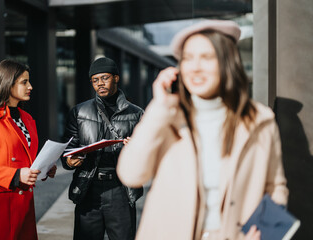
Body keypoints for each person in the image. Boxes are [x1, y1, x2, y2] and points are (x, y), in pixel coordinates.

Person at [117, 20, 289, 240]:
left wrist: (267, 231)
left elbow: (276, 186)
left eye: (206, 57)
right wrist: (158, 108)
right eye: (188, 58)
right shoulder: (167, 117)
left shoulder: (261, 121)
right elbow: (131, 175)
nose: (195, 67)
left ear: (228, 62)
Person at [0, 59, 57, 240]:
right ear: (7, 83)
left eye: (29, 81)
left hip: (25, 205)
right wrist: (14, 176)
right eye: (24, 82)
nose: (30, 86)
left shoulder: (27, 118)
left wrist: (44, 169)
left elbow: (25, 160)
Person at [61, 57, 144, 240]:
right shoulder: (79, 112)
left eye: (104, 78)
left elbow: (148, 157)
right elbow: (66, 151)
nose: (100, 84)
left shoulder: (136, 113)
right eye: (95, 80)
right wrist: (69, 161)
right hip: (88, 188)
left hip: (121, 189)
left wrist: (137, 150)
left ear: (116, 78)